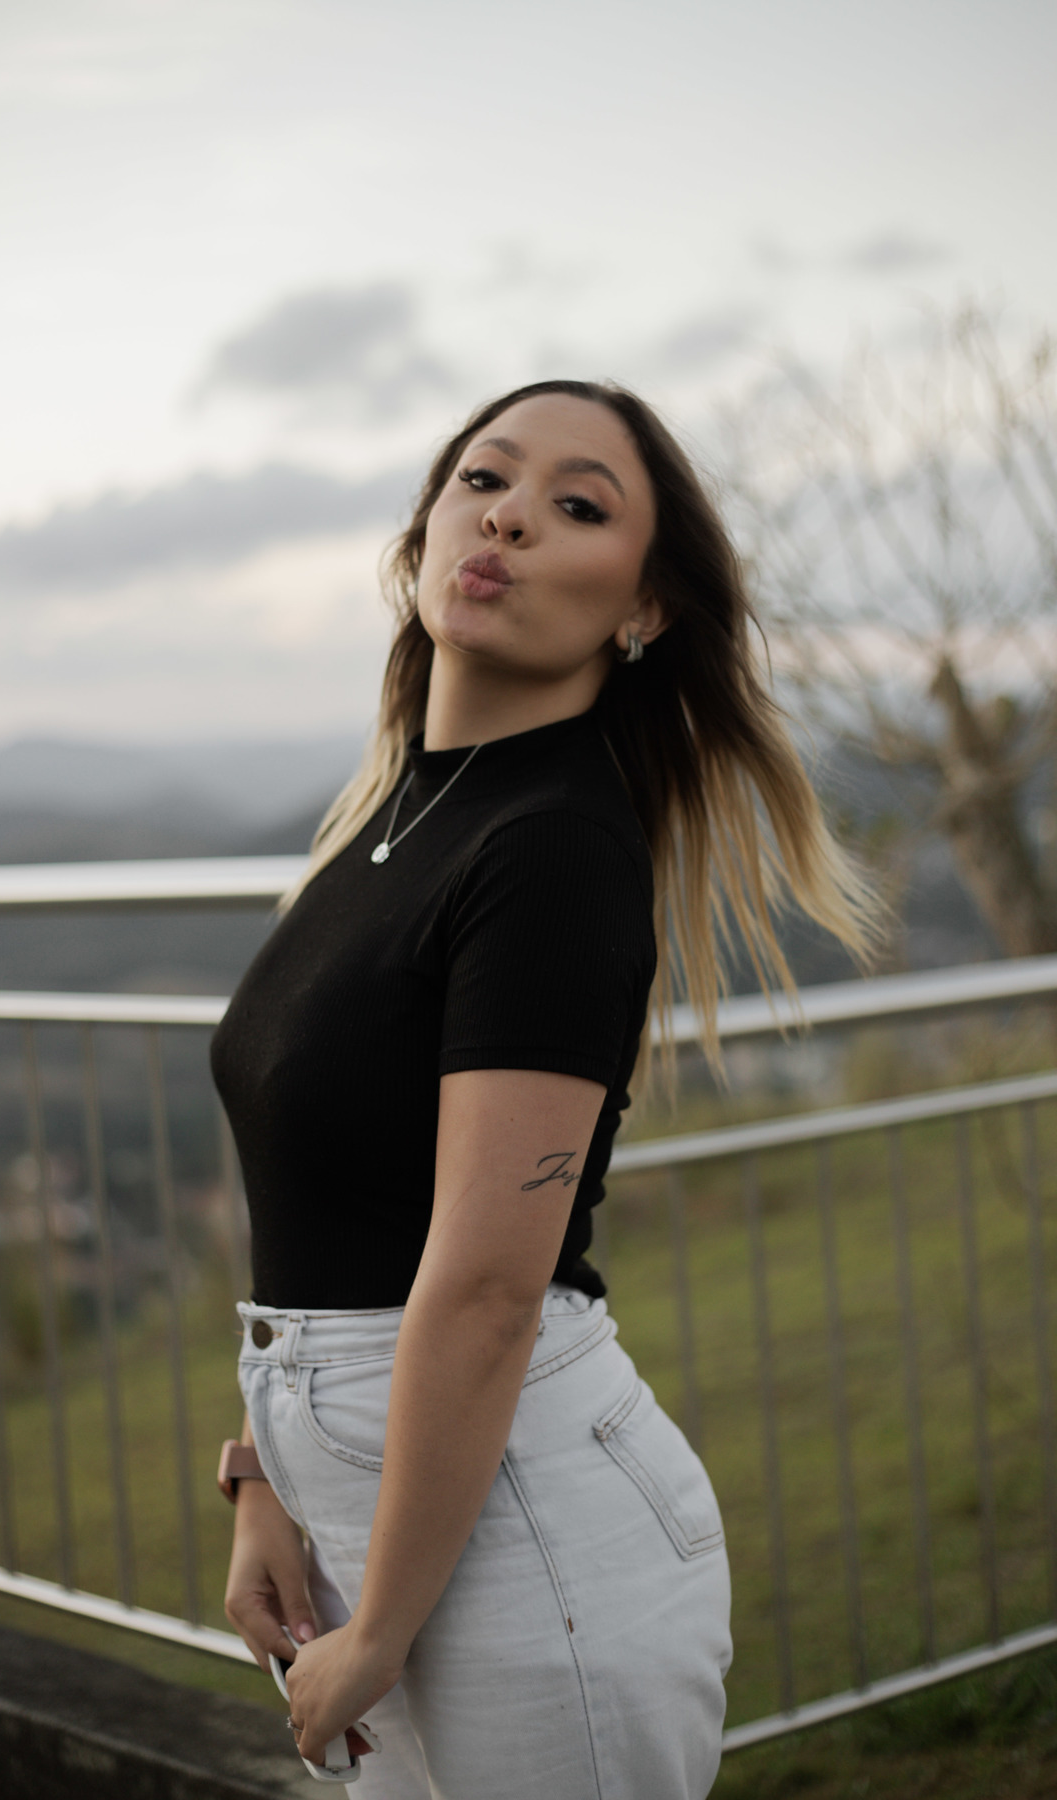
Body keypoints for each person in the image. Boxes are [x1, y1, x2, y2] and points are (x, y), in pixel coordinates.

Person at [211, 380, 879, 1798]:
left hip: (528, 1541)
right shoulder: (396, 816)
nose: (509, 515)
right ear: (425, 534)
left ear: (644, 608)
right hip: (401, 1517)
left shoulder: (554, 848)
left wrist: (380, 1629)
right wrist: (262, 1474)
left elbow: (487, 1286)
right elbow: (325, 1195)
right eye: (484, 479)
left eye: (578, 506)